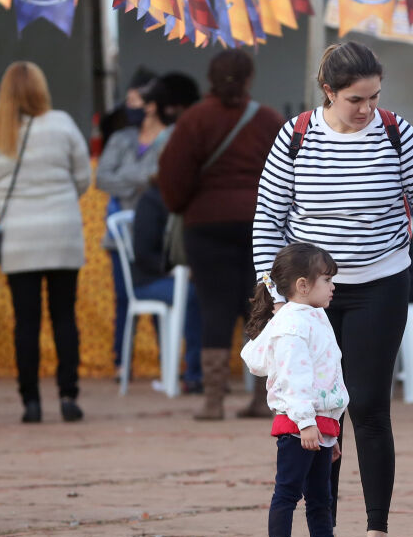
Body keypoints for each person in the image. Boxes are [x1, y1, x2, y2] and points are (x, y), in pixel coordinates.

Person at [253, 41, 413, 537]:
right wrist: (278, 301)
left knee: (367, 406)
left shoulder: (396, 132)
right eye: (355, 99)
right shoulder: (295, 136)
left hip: (380, 284)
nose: (366, 108)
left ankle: (377, 536)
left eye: (374, 96)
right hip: (308, 298)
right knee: (321, 414)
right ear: (328, 92)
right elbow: (266, 223)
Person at [158, 49, 285, 421]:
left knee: (213, 308)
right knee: (261, 308)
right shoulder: (267, 120)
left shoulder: (194, 120)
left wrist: (187, 204)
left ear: (209, 79)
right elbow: (286, 174)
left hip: (206, 226)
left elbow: (172, 178)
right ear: (249, 79)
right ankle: (263, 399)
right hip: (259, 225)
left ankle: (213, 401)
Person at [240, 243, 360, 537]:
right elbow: (295, 379)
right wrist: (307, 424)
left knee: (321, 495)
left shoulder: (315, 314)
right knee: (289, 491)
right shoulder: (292, 324)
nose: (333, 286)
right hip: (298, 424)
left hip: (319, 425)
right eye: (327, 279)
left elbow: (327, 374)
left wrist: (329, 430)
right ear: (303, 285)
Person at [0, 61, 91, 423]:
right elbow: (82, 178)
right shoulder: (62, 124)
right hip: (63, 234)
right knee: (64, 316)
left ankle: (31, 403)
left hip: (19, 240)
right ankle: (68, 397)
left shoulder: (1, 130)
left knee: (26, 322)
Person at [96, 78, 175, 374]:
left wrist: (127, 179)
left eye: (134, 102)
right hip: (118, 237)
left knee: (161, 296)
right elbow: (102, 178)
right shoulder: (120, 138)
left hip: (157, 234)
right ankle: (121, 363)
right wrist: (143, 179)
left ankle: (166, 364)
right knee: (123, 299)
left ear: (151, 106)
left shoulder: (171, 136)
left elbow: (165, 177)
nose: (127, 109)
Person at [131, 177, 204, 393]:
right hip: (149, 279)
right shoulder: (151, 201)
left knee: (206, 293)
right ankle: (194, 374)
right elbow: (142, 254)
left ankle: (198, 371)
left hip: (176, 277)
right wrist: (174, 270)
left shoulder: (188, 200)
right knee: (193, 296)